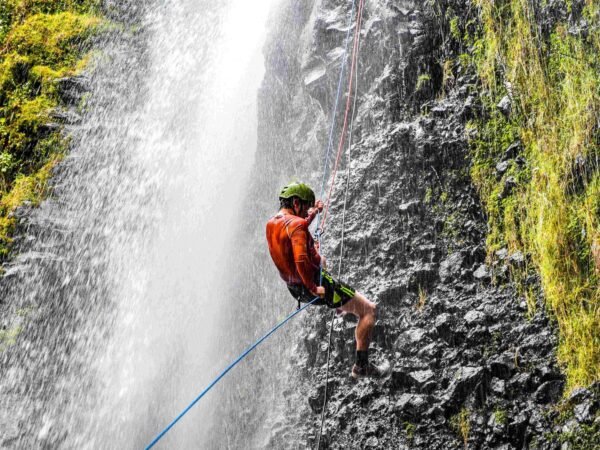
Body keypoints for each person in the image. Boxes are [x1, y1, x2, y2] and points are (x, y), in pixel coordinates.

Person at [265, 181, 382, 378]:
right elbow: (301, 259)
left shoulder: (272, 224)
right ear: (296, 202)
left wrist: (313, 214)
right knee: (369, 311)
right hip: (313, 285)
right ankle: (362, 367)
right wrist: (313, 287)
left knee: (322, 259)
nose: (305, 214)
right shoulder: (297, 225)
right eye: (305, 208)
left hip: (294, 288)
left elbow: (294, 227)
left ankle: (338, 305)